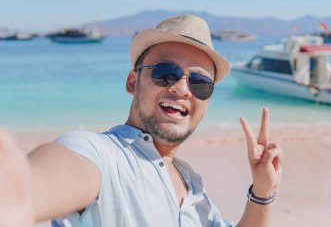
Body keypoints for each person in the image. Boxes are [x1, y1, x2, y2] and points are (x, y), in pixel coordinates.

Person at [0, 14, 283, 227]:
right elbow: (46, 180)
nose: (182, 89)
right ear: (133, 81)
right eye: (166, 73)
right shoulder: (104, 156)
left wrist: (262, 191)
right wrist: (18, 190)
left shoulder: (193, 188)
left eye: (200, 83)